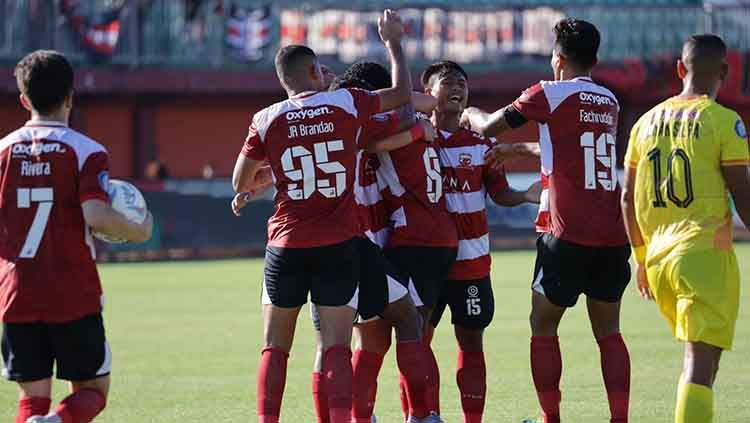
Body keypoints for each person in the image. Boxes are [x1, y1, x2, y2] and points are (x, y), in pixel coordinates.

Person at [231, 10, 413, 423]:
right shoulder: (347, 102)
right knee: (336, 346)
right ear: (315, 70)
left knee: (275, 347)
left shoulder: (266, 118)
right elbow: (402, 94)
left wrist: (267, 174)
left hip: (286, 243)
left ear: (283, 81)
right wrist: (394, 43)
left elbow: (240, 181)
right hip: (338, 243)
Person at [462, 19, 632, 423]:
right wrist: (523, 149)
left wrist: (469, 113)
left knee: (543, 323)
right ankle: (620, 419)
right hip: (612, 231)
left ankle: (550, 419)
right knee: (609, 332)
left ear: (557, 58)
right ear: (595, 58)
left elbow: (488, 126)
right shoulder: (608, 100)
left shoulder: (547, 93)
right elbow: (578, 149)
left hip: (566, 230)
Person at [0, 50, 153, 423]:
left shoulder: (2, 151)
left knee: (31, 396)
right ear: (71, 96)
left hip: (17, 291)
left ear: (23, 99)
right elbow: (96, 215)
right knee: (92, 391)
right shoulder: (87, 151)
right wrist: (140, 228)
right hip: (72, 288)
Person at [622, 34, 750, 423]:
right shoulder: (725, 122)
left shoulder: (644, 124)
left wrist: (641, 259)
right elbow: (742, 193)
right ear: (725, 73)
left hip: (658, 261)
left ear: (680, 69)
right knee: (699, 362)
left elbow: (627, 199)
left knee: (704, 363)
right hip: (703, 255)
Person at [420, 60, 541, 423]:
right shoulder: (414, 139)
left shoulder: (482, 144)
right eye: (448, 82)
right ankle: (427, 416)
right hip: (424, 260)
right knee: (418, 341)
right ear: (428, 93)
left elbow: (499, 192)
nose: (457, 88)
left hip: (471, 261)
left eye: (462, 83)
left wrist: (524, 196)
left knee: (470, 342)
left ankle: (472, 419)